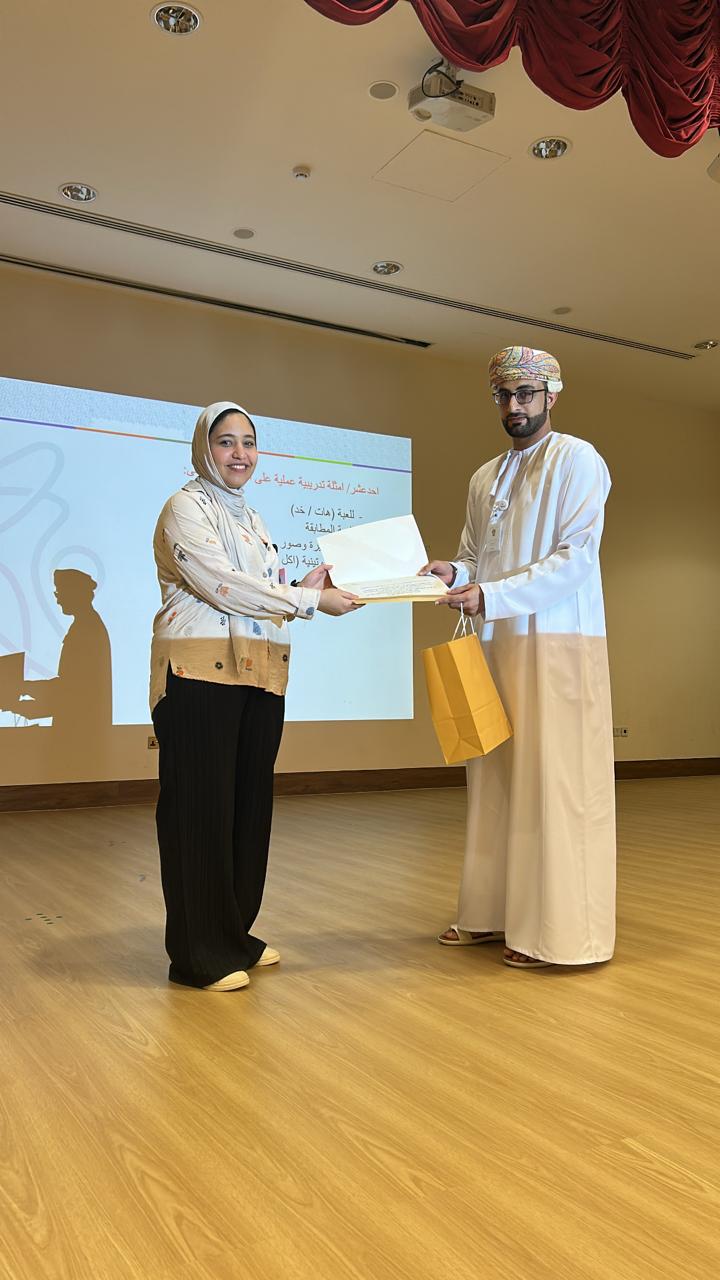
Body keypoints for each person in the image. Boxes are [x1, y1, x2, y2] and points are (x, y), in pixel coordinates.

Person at [151, 401, 360, 992]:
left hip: (259, 674)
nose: (239, 453)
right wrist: (311, 602)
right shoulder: (185, 507)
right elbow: (222, 586)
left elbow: (259, 592)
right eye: (226, 442)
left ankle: (233, 935)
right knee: (199, 814)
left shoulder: (251, 516)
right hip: (198, 675)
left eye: (248, 442)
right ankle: (197, 956)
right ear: (204, 449)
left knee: (247, 812)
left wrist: (299, 587)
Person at [422, 346, 615, 969]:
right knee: (495, 780)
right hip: (496, 642)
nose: (514, 405)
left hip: (558, 644)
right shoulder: (486, 476)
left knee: (553, 785)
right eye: (504, 395)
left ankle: (558, 935)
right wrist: (456, 574)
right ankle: (490, 914)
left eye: (525, 394)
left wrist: (492, 595)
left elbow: (576, 558)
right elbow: (475, 556)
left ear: (550, 396)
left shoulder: (577, 459)